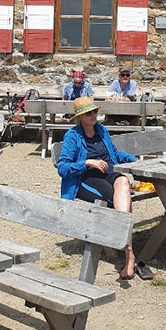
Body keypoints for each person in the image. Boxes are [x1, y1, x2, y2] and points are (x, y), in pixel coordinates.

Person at [56, 96, 142, 279]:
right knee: (119, 197)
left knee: (124, 183)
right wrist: (87, 162)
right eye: (89, 113)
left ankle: (125, 246)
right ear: (80, 117)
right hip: (85, 179)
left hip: (108, 174)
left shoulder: (101, 130)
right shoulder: (72, 136)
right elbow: (62, 167)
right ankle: (129, 254)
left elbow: (115, 154)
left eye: (95, 111)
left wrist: (135, 162)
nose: (93, 115)